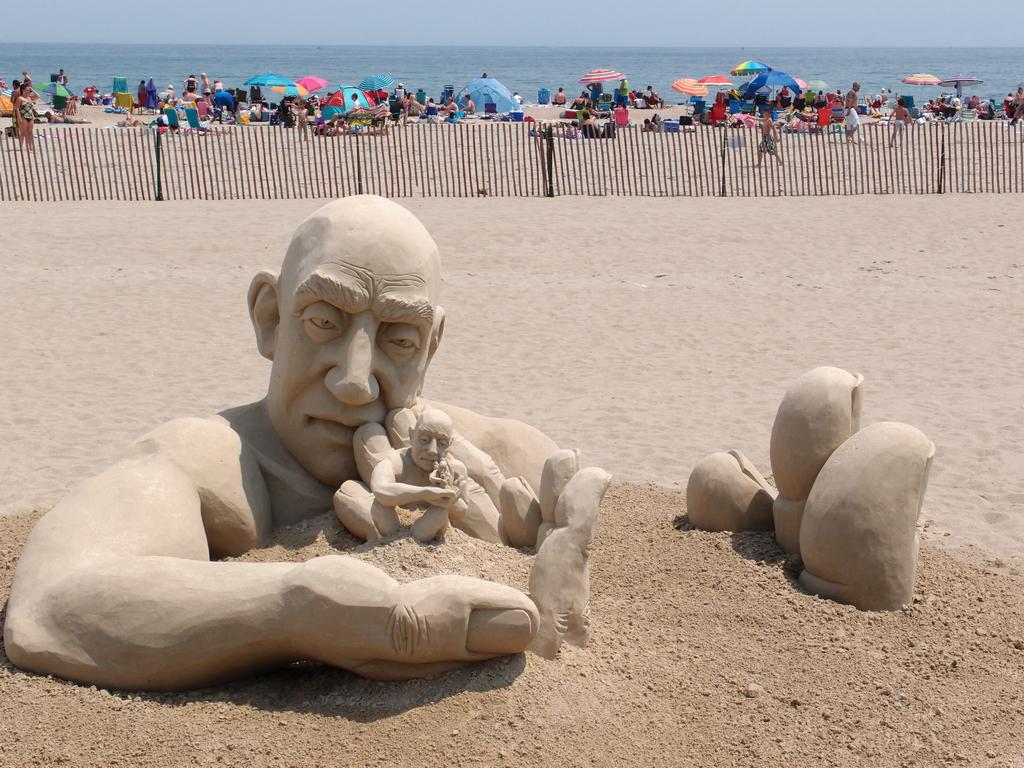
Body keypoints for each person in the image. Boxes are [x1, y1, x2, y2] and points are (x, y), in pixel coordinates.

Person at [2, 196, 599, 691]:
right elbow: (51, 608)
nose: (354, 380)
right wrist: (296, 608)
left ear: (432, 345)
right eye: (324, 322)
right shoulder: (211, 461)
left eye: (399, 338)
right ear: (271, 316)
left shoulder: (490, 451)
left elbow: (569, 512)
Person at [14, 82, 37, 150]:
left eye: (29, 90)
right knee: (23, 133)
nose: (28, 91)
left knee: (30, 132)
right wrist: (19, 118)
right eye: (27, 90)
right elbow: (17, 108)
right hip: (23, 116)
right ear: (23, 90)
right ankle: (21, 147)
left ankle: (30, 147)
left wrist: (32, 89)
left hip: (31, 116)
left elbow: (38, 96)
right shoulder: (20, 98)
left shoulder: (30, 98)